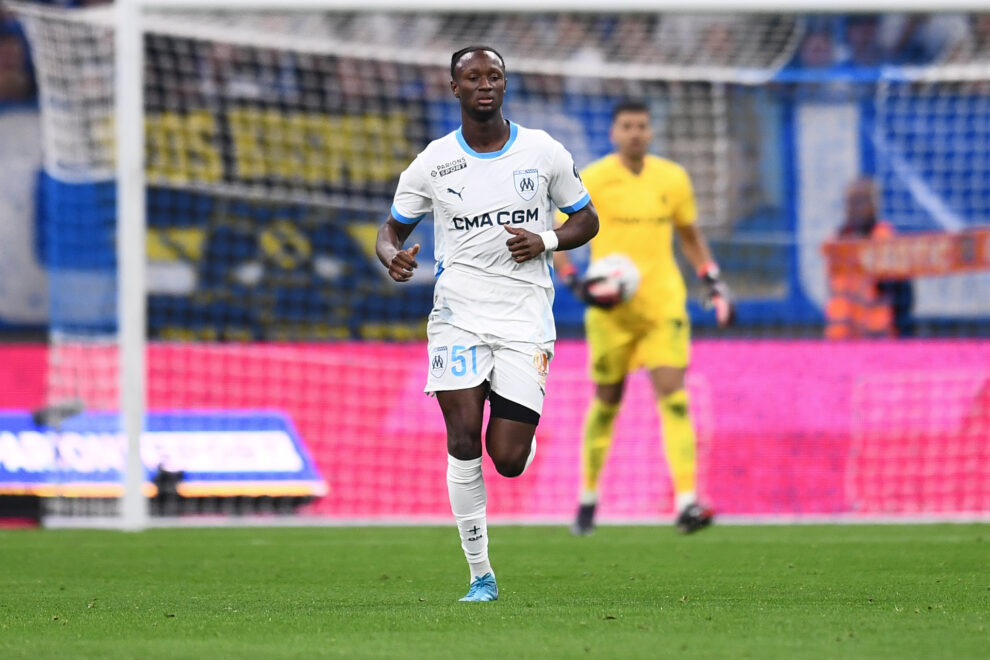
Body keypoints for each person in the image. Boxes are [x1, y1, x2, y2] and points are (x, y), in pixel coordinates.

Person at [376, 46, 598, 602]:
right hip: (458, 316)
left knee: (508, 460)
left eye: (493, 76)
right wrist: (391, 256)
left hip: (525, 317)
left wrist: (546, 239)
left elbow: (587, 218)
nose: (484, 84)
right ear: (454, 88)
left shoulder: (542, 151)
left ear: (505, 84)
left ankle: (518, 432)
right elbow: (391, 230)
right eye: (472, 77)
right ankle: (480, 574)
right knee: (461, 437)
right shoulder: (432, 163)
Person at [554, 100, 734, 536]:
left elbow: (690, 235)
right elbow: (559, 236)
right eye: (627, 126)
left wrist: (712, 280)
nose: (635, 133)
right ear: (614, 133)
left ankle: (687, 502)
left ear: (651, 132)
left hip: (662, 306)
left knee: (674, 397)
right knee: (606, 403)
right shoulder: (593, 178)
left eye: (642, 126)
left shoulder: (672, 178)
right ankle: (587, 499)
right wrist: (575, 283)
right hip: (610, 312)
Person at [824, 177, 913, 339]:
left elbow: (903, 296)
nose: (854, 208)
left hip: (878, 337)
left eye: (861, 202)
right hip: (842, 338)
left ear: (874, 205)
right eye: (851, 202)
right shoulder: (837, 240)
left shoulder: (886, 240)